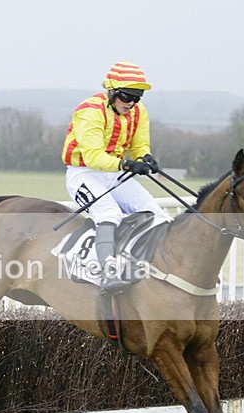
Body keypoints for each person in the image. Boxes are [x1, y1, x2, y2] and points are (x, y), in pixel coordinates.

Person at [61, 61, 170, 293]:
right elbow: (93, 157)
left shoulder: (138, 112)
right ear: (111, 91)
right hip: (84, 173)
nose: (131, 104)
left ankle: (137, 263)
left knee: (155, 213)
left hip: (115, 174)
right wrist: (126, 164)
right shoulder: (89, 110)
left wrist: (145, 157)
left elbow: (140, 146)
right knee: (109, 212)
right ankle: (107, 273)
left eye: (136, 98)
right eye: (126, 97)